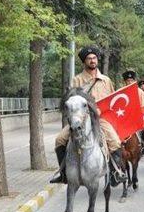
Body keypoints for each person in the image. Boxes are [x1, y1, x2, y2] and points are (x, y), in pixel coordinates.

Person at [51, 46, 127, 185]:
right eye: (89, 59)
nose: (92, 61)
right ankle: (63, 174)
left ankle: (115, 173)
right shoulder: (77, 80)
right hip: (80, 120)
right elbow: (71, 101)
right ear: (84, 62)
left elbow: (112, 100)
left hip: (101, 119)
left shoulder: (106, 80)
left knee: (115, 141)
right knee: (60, 139)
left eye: (94, 58)